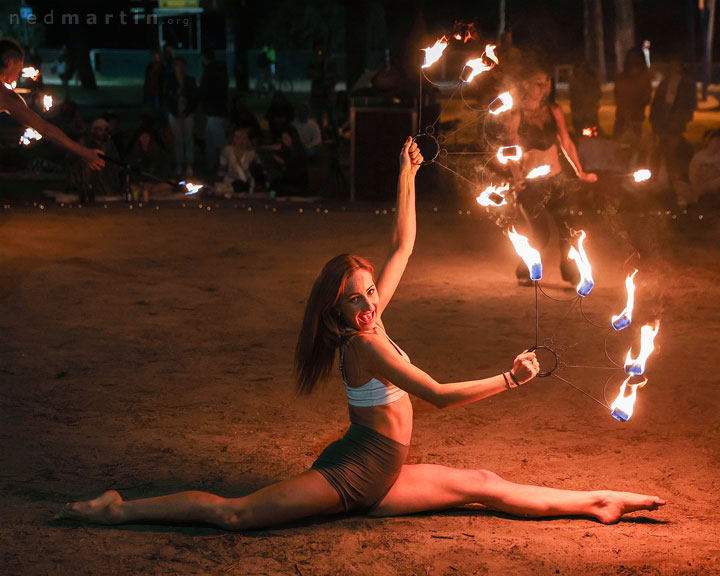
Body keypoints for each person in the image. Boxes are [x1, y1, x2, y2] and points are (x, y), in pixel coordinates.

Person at [59, 138, 665, 530]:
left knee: (484, 485)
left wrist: (406, 170)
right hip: (356, 475)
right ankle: (119, 510)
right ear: (338, 312)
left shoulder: (369, 320)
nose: (370, 304)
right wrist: (512, 378)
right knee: (237, 515)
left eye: (371, 293)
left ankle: (597, 500)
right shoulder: (365, 344)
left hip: (384, 468)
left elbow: (403, 244)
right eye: (357, 299)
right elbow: (439, 396)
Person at [504, 65, 597, 285]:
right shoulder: (516, 115)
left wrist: (579, 171)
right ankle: (526, 271)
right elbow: (511, 150)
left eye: (547, 82)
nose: (544, 88)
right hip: (531, 183)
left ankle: (572, 273)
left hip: (556, 179)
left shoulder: (554, 110)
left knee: (569, 226)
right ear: (526, 84)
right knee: (540, 233)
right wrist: (517, 177)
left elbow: (566, 142)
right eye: (539, 83)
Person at [0, 38, 103, 170]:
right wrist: (85, 152)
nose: (17, 77)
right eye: (18, 70)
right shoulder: (7, 97)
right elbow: (44, 128)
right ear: (10, 63)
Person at [165, 57, 199, 178]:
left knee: (188, 137)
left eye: (182, 65)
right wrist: (175, 112)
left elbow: (195, 97)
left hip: (187, 113)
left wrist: (187, 111)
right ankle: (179, 163)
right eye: (178, 65)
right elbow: (167, 98)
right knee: (177, 138)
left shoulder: (189, 80)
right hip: (175, 114)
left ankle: (189, 164)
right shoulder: (170, 80)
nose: (180, 68)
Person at [199, 47, 229, 174]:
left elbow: (205, 92)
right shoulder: (221, 71)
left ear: (204, 57)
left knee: (219, 142)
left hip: (213, 112)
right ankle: (211, 167)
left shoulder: (209, 73)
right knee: (211, 141)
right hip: (220, 110)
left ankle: (226, 167)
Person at [613, 48, 652, 144]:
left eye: (636, 58)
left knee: (634, 146)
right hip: (621, 119)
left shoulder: (644, 78)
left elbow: (645, 98)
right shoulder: (621, 77)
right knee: (618, 145)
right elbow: (617, 95)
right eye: (631, 58)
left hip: (635, 120)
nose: (633, 61)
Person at [216, 126, 265, 194]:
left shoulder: (251, 153)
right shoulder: (227, 150)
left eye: (238, 137)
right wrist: (219, 180)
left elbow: (259, 167)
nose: (235, 139)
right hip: (230, 181)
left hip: (246, 181)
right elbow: (222, 168)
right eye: (234, 136)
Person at [271, 124, 309, 196]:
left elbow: (295, 166)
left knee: (284, 189)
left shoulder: (300, 149)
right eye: (283, 138)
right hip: (288, 179)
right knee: (273, 185)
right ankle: (272, 197)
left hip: (298, 181)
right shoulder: (286, 149)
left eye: (287, 138)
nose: (285, 140)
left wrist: (283, 162)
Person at [569, 61, 602, 135]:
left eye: (584, 68)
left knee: (593, 132)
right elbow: (573, 95)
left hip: (590, 112)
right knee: (579, 133)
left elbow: (597, 93)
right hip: (578, 113)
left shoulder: (592, 79)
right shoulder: (575, 79)